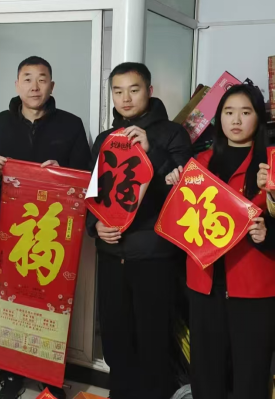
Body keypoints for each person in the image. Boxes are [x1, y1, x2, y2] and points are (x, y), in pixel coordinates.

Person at [0, 56, 92, 399]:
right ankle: (11, 373)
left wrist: (61, 173)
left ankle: (50, 376)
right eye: (27, 78)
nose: (35, 86)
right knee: (10, 301)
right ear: (17, 85)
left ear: (52, 86)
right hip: (12, 234)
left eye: (42, 79)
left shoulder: (71, 125)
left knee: (52, 305)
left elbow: (86, 177)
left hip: (55, 236)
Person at [86, 63, 192, 399]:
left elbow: (187, 193)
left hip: (153, 255)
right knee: (115, 340)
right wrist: (95, 226)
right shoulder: (105, 139)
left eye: (134, 90)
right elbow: (91, 192)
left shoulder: (173, 134)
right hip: (111, 253)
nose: (126, 98)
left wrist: (152, 151)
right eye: (118, 91)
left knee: (154, 340)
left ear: (149, 90)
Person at [167, 83, 275, 399]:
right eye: (228, 112)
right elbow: (180, 221)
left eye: (245, 112)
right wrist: (174, 187)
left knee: (251, 373)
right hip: (205, 283)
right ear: (219, 117)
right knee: (206, 371)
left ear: (258, 118)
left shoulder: (270, 164)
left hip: (253, 287)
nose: (236, 120)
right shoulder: (199, 164)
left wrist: (267, 234)